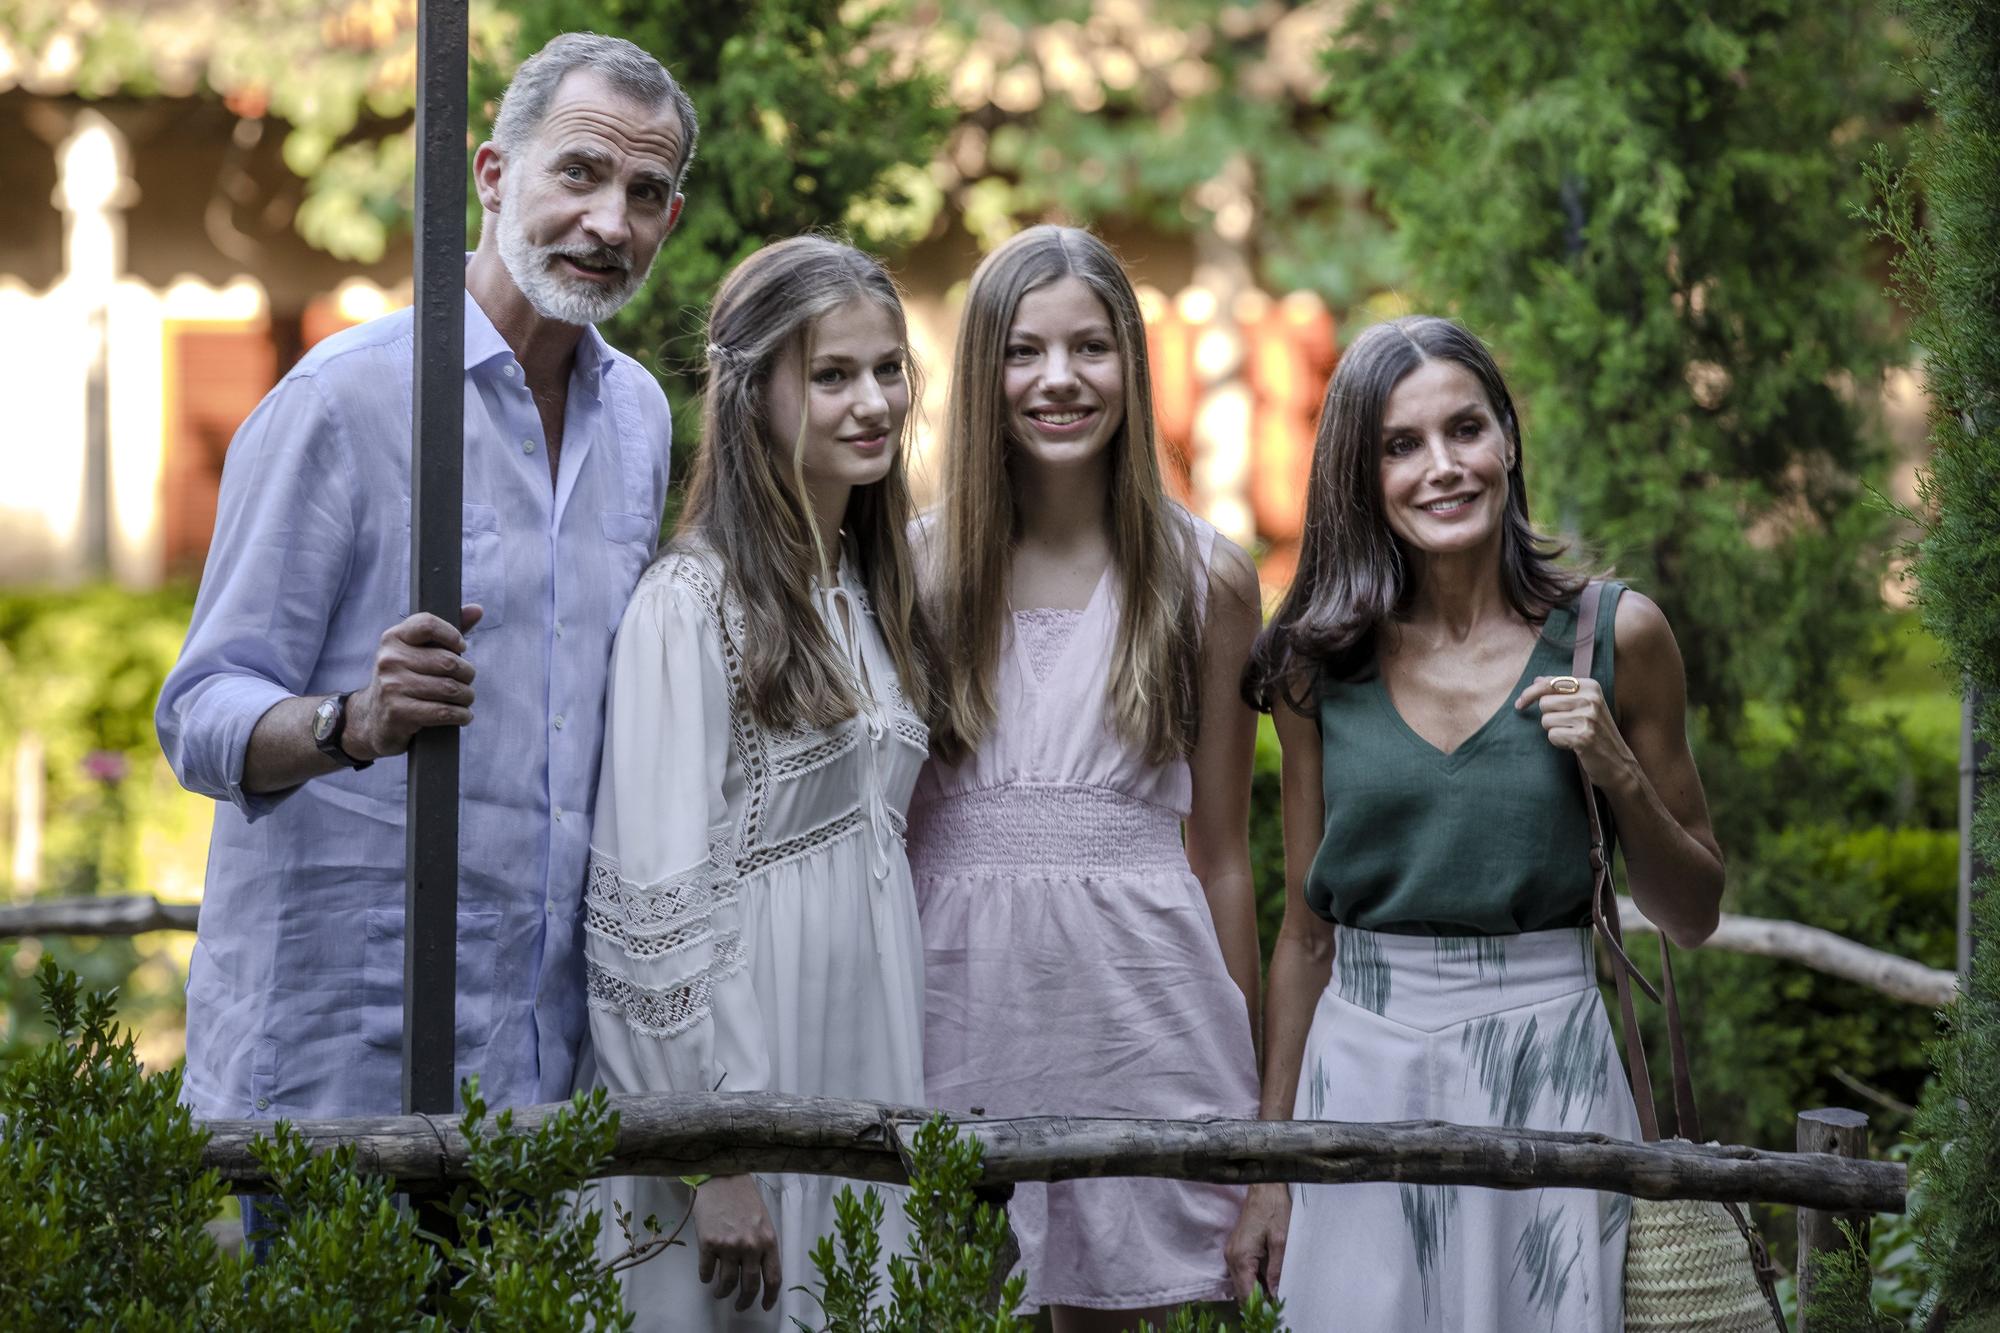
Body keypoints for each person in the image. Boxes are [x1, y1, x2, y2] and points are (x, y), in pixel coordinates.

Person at [155, 31, 692, 1155]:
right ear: (493, 177)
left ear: (669, 222)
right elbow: (196, 713)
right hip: (337, 1067)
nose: (609, 222)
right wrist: (350, 722)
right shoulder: (344, 403)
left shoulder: (640, 418)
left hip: (543, 1077)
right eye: (580, 173)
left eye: (644, 193)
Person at [1226, 315, 1725, 1331]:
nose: (1440, 467)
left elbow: (1692, 913)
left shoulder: (1614, 634)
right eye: (1399, 446)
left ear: (1506, 438)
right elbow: (1305, 932)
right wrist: (1269, 1168)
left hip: (1551, 1064)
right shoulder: (1314, 662)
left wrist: (1616, 772)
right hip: (1357, 1066)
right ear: (1356, 477)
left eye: (1464, 429)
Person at [908, 224, 1262, 1331]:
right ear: (982, 375)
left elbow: (1219, 855)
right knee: (950, 1297)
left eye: (1089, 348)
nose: (1058, 379)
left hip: (1139, 1019)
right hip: (952, 1003)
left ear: (1132, 365)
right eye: (1023, 351)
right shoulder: (912, 569)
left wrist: (1254, 1133)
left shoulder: (1202, 577)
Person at [581, 236, 937, 1329]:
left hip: (860, 1047)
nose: (870, 401)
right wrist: (709, 1154)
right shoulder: (687, 607)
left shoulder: (868, 591)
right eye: (831, 375)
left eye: (886, 369)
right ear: (752, 392)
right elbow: (646, 908)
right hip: (746, 1071)